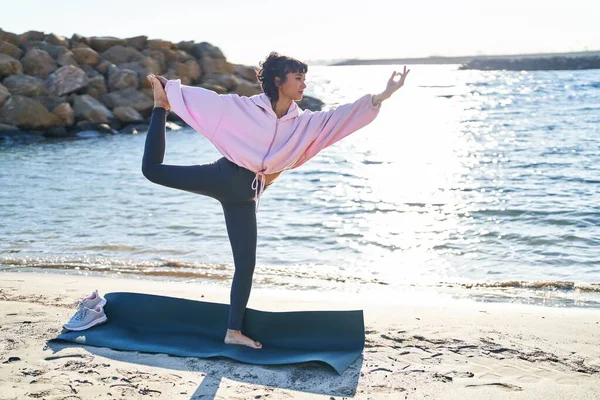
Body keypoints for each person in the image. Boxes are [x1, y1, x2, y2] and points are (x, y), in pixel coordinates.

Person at [142, 52, 410, 349]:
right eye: (298, 78)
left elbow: (341, 116)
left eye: (305, 78)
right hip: (223, 177)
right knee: (152, 171)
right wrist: (171, 91)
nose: (304, 85)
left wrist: (383, 95)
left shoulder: (303, 123)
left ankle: (233, 332)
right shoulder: (243, 108)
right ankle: (159, 108)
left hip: (245, 198)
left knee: (246, 265)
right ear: (279, 81)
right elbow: (210, 102)